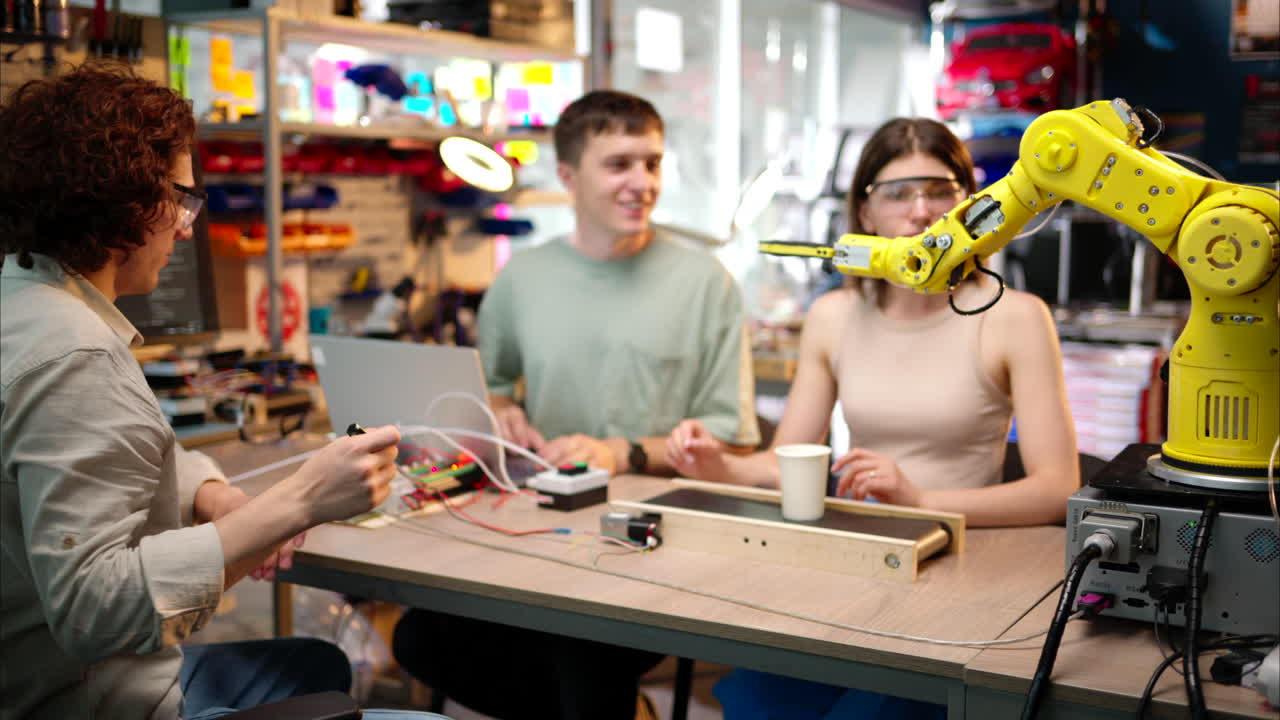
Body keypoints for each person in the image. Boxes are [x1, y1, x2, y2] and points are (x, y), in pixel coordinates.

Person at [0, 62, 448, 720]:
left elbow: (102, 462)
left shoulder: (25, 299)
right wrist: (300, 502)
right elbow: (92, 612)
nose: (187, 227)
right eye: (179, 196)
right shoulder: (77, 353)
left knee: (317, 665)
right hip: (95, 704)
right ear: (120, 196)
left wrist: (210, 493)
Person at [664, 117, 1080, 719]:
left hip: (966, 571)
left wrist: (919, 497)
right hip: (855, 563)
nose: (921, 211)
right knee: (756, 701)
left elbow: (1056, 488)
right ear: (865, 213)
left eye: (941, 190)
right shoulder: (833, 315)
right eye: (897, 192)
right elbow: (791, 463)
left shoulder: (1015, 316)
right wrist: (718, 464)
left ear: (974, 205)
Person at [393, 89, 761, 720]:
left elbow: (734, 438)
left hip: (655, 543)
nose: (641, 182)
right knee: (420, 638)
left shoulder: (706, 283)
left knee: (580, 652)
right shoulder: (519, 280)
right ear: (567, 175)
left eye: (651, 163)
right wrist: (501, 412)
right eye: (618, 164)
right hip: (541, 535)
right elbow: (494, 388)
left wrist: (622, 451)